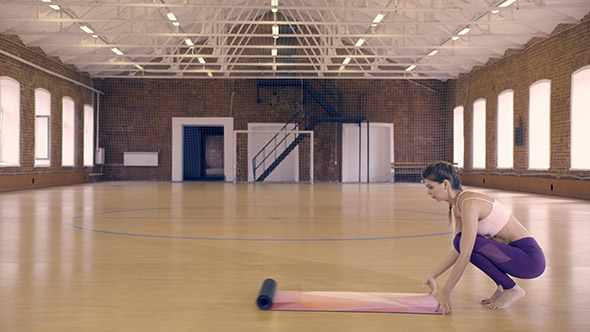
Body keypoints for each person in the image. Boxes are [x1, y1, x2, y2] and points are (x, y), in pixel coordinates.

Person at [419, 161, 545, 315]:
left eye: (430, 187)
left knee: (462, 242)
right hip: (511, 256)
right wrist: (434, 275)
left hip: (529, 260)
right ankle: (502, 286)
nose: (428, 192)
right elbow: (459, 250)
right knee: (460, 242)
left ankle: (511, 288)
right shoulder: (459, 207)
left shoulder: (469, 203)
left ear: (445, 184)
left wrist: (446, 291)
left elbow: (465, 253)